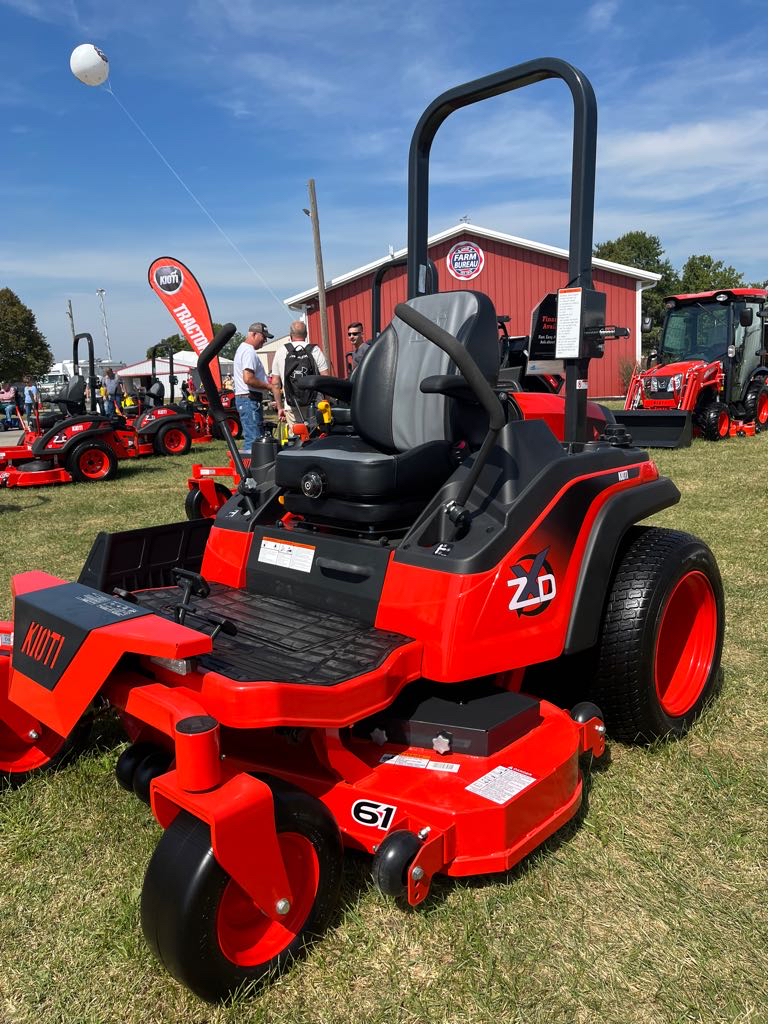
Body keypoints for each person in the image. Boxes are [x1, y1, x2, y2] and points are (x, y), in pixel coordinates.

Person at [270, 321, 330, 431]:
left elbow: (275, 383)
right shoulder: (315, 350)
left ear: (290, 335)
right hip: (315, 403)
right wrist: (328, 401)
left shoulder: (281, 351)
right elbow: (325, 378)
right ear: (306, 334)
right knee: (316, 436)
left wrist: (280, 407)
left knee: (296, 438)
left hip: (292, 404)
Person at [233, 322, 281, 453]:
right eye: (263, 337)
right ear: (254, 334)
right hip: (249, 399)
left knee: (255, 437)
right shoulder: (249, 352)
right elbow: (248, 378)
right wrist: (268, 386)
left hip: (248, 399)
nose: (265, 340)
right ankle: (250, 472)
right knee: (254, 440)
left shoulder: (244, 349)